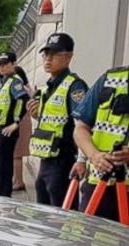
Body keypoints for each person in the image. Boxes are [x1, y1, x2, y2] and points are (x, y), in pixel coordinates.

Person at [26, 33, 88, 207]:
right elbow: (54, 120)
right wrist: (36, 114)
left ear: (68, 57)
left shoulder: (75, 86)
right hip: (46, 160)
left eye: (54, 54)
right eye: (46, 54)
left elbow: (82, 125)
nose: (48, 59)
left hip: (63, 161)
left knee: (62, 215)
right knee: (44, 210)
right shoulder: (48, 87)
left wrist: (81, 160)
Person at [72, 64, 129, 221]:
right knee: (87, 243)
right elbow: (80, 128)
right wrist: (93, 155)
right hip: (99, 186)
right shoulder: (111, 79)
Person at [0, 52, 30, 197]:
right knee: (0, 166)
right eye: (0, 64)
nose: (2, 67)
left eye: (5, 63)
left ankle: (4, 197)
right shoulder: (5, 81)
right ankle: (2, 195)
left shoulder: (15, 81)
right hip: (0, 128)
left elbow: (23, 100)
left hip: (8, 129)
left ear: (13, 64)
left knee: (4, 167)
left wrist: (16, 123)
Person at [13, 66, 35, 191]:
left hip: (20, 122)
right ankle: (16, 179)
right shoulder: (27, 88)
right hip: (24, 121)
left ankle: (18, 181)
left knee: (17, 153)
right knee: (16, 153)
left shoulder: (21, 89)